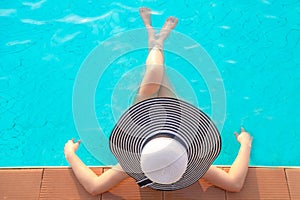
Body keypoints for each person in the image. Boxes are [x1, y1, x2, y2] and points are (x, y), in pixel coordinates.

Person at [64, 7, 252, 196]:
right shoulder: (191, 162)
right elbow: (234, 184)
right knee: (158, 73)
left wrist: (70, 155)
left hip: (141, 122)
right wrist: (245, 144)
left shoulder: (135, 161)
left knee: (155, 71)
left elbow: (94, 187)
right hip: (176, 120)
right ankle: (157, 41)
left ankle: (155, 40)